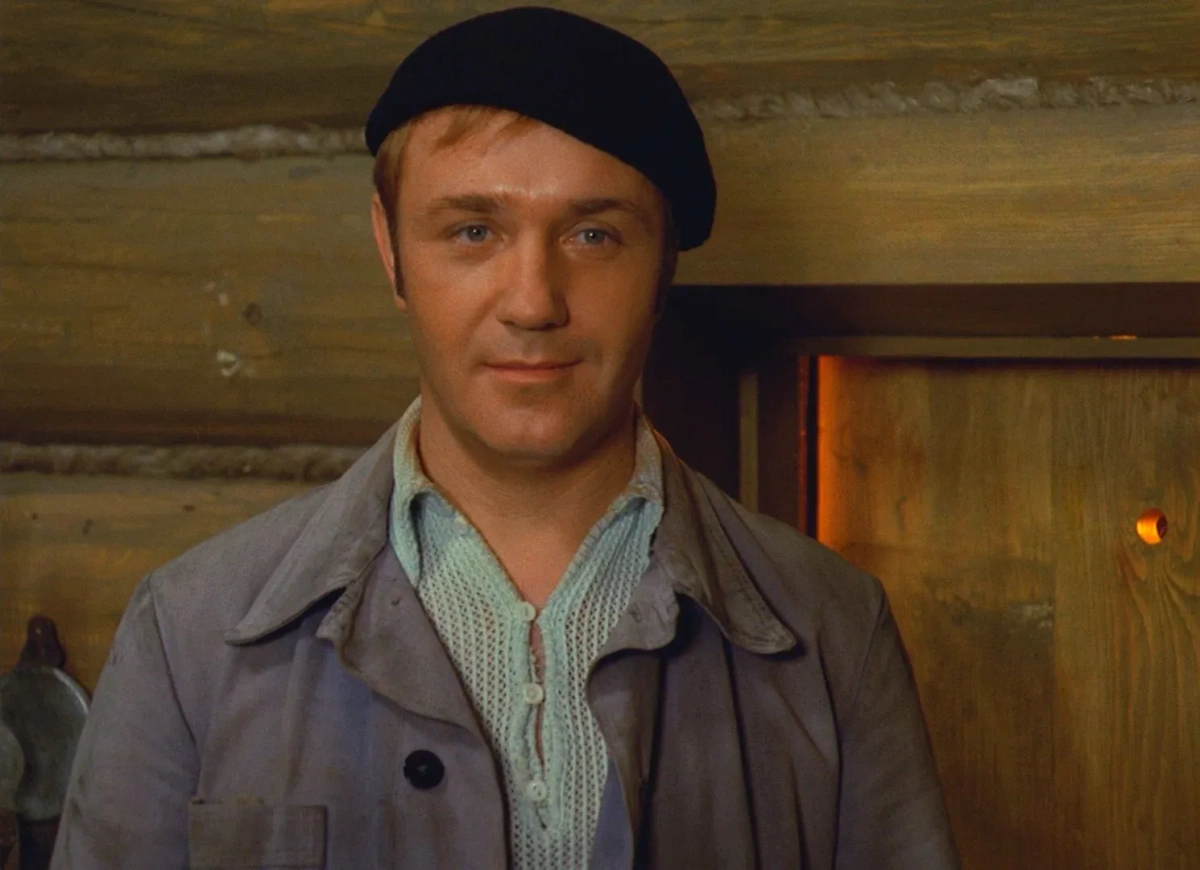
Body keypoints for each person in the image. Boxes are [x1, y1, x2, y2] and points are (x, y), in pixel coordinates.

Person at [53, 7, 958, 868]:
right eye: (473, 231)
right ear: (391, 250)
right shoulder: (189, 634)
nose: (533, 302)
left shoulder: (832, 633)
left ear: (663, 264)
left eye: (594, 234)